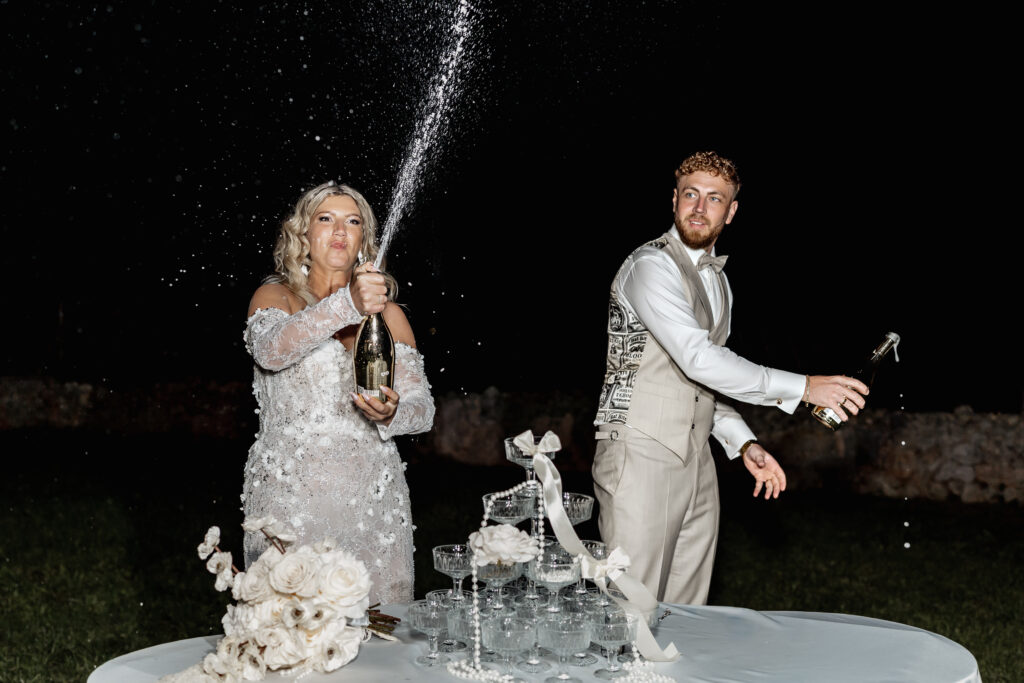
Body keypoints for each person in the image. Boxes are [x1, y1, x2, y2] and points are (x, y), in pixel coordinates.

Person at [591, 151, 868, 606]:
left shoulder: (720, 283)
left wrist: (743, 443)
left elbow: (702, 382)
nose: (699, 208)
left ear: (731, 211)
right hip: (639, 453)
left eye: (714, 199)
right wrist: (804, 388)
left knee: (687, 614)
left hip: (697, 460)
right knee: (630, 611)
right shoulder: (650, 267)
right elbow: (699, 359)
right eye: (691, 195)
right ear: (674, 200)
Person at [241, 181, 435, 605]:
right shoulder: (276, 296)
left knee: (381, 628)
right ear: (303, 234)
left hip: (372, 497)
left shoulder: (392, 315)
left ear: (364, 238)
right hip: (292, 494)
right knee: (290, 624)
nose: (340, 232)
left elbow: (422, 411)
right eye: (325, 219)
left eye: (353, 222)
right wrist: (348, 303)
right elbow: (274, 351)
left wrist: (392, 414)